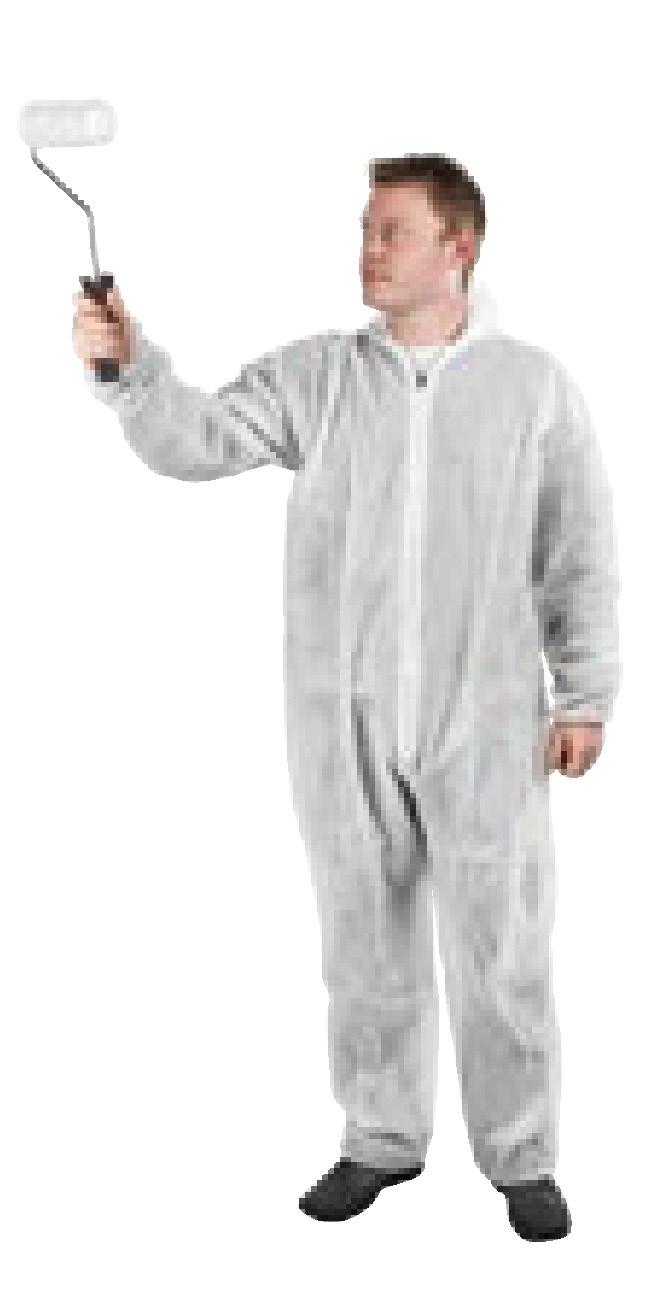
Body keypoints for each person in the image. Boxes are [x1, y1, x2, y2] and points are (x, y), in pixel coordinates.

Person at [72, 152, 621, 1242]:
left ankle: (519, 1156)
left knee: (502, 944)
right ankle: (379, 1139)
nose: (367, 249)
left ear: (457, 246)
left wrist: (583, 695)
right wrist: (130, 367)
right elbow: (197, 439)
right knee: (362, 935)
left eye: (390, 231)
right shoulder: (321, 376)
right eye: (364, 229)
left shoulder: (531, 387)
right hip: (343, 715)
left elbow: (577, 550)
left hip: (485, 718)